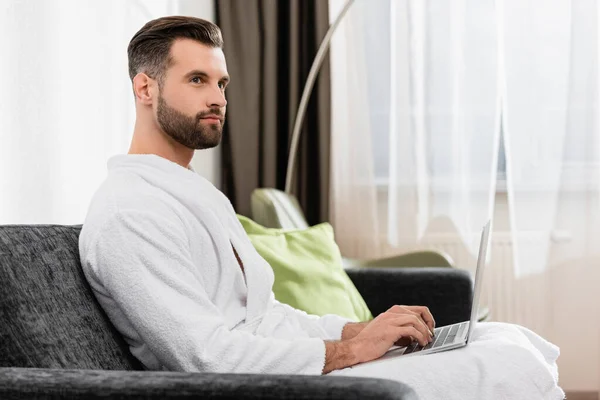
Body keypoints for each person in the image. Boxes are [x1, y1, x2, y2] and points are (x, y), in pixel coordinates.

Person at [79, 16, 564, 399]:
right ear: (145, 89)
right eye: (198, 80)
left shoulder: (192, 193)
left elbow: (265, 318)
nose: (217, 98)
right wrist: (352, 351)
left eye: (222, 84)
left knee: (501, 337)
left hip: (291, 368)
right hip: (266, 388)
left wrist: (361, 329)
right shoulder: (129, 214)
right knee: (504, 361)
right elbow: (207, 358)